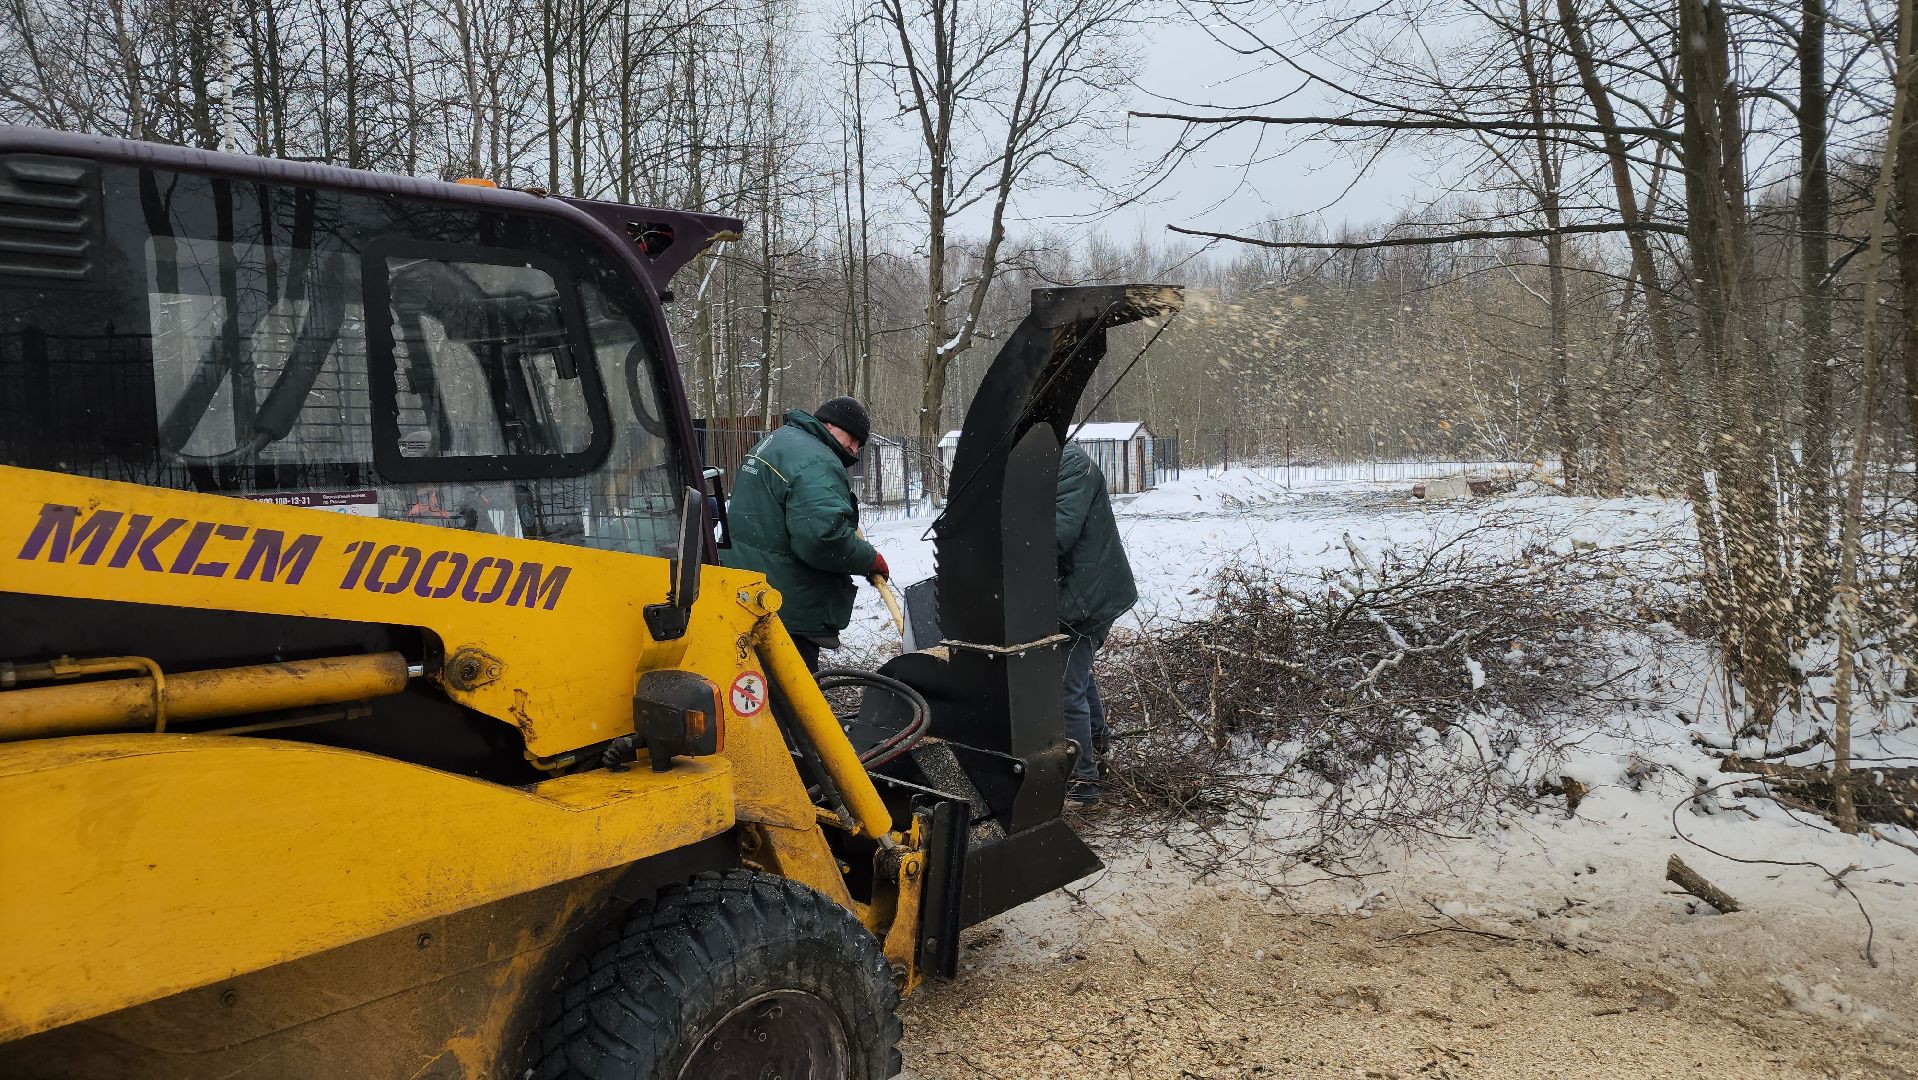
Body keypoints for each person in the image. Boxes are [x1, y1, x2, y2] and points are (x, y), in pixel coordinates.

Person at [724, 397, 890, 672]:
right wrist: (870, 560)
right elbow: (822, 539)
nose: (854, 449)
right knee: (794, 703)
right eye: (853, 438)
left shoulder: (777, 441)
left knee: (752, 692)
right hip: (785, 607)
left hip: (747, 592)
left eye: (860, 444)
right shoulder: (816, 462)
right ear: (830, 425)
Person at [1055, 440, 1137, 806]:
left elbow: (1057, 533)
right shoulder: (1063, 465)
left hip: (1089, 597)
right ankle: (1099, 748)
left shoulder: (1070, 467)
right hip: (1088, 591)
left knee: (1065, 686)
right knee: (1080, 675)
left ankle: (1083, 781)